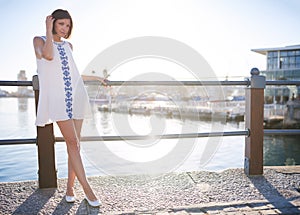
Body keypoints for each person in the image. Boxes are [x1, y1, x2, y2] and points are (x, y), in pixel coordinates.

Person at [33, 9, 105, 207]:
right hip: (57, 100)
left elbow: (73, 74)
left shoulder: (69, 46)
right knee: (72, 142)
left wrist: (96, 78)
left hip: (76, 96)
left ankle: (70, 189)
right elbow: (47, 56)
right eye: (61, 24)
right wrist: (48, 31)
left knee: (75, 145)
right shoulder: (39, 40)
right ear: (53, 23)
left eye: (67, 25)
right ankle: (88, 191)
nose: (65, 29)